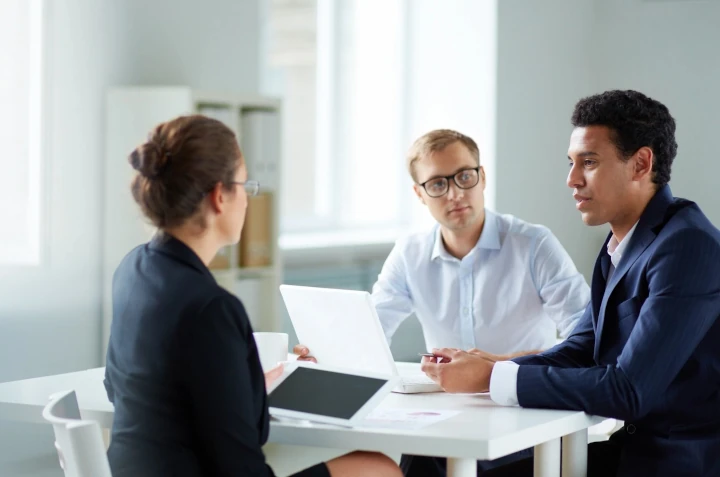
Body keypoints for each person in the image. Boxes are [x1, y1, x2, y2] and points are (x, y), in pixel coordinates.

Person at [421, 90, 720, 477]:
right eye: (571, 163)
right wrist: (490, 367)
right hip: (628, 452)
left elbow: (628, 390)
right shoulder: (621, 243)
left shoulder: (687, 246)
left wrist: (493, 377)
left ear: (641, 163)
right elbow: (581, 349)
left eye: (589, 162)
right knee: (436, 459)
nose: (571, 179)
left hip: (674, 463)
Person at [104, 115, 402, 477]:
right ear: (219, 196)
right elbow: (240, 462)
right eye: (245, 186)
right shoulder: (212, 307)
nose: (247, 199)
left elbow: (122, 387)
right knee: (378, 467)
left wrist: (243, 385)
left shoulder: (132, 270)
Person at [296, 129, 591, 475]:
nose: (454, 193)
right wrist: (327, 353)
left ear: (482, 178)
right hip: (444, 422)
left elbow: (586, 341)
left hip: (524, 416)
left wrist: (495, 367)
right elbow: (371, 331)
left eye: (465, 177)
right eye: (437, 184)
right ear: (419, 194)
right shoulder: (410, 253)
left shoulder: (533, 244)